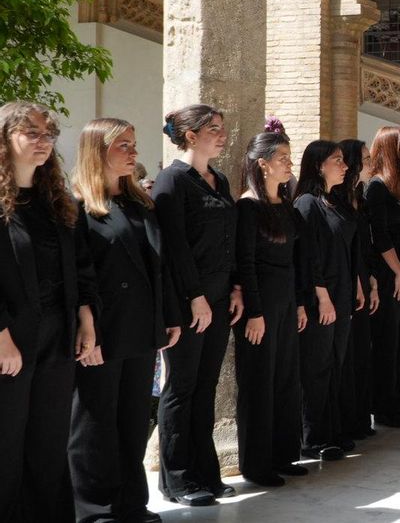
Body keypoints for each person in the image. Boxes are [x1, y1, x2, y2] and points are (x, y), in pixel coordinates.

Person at [69, 118, 180, 522]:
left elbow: (158, 268)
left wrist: (168, 316)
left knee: (132, 421)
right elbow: (79, 276)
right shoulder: (79, 207)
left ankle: (132, 503)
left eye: (134, 145)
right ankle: (96, 509)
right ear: (98, 151)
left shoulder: (140, 204)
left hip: (142, 329)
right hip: (102, 331)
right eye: (124, 146)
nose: (134, 153)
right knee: (94, 423)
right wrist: (88, 333)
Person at [0, 102, 100, 522]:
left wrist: (85, 320)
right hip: (11, 337)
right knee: (6, 441)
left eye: (49, 135)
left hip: (57, 333)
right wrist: (2, 336)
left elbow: (79, 266)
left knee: (48, 438)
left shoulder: (55, 201)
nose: (44, 142)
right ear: (5, 139)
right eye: (32, 133)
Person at [154, 104, 243, 506]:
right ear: (190, 136)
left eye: (222, 129)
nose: (223, 135)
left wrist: (236, 288)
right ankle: (177, 477)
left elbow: (230, 239)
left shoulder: (218, 179)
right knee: (181, 387)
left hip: (222, 297)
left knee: (206, 387)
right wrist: (195, 297)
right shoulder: (171, 182)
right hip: (191, 302)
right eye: (214, 130)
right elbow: (174, 249)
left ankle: (205, 470)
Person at [231, 129, 307, 487]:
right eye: (282, 159)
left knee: (286, 378)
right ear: (262, 165)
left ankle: (283, 454)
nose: (289, 164)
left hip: (286, 299)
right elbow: (245, 263)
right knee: (259, 383)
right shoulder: (248, 206)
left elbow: (296, 259)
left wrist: (300, 303)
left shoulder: (285, 204)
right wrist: (255, 312)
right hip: (260, 305)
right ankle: (257, 464)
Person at [294, 140, 364, 461]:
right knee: (317, 367)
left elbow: (347, 250)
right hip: (321, 298)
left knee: (335, 364)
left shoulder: (333, 201)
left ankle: (333, 430)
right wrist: (321, 296)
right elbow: (309, 258)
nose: (345, 165)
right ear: (320, 165)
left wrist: (358, 285)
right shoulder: (308, 203)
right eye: (337, 160)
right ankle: (314, 437)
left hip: (343, 294)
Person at [364, 126, 400, 429]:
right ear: (392, 149)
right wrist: (399, 272)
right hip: (389, 274)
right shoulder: (377, 188)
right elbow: (380, 236)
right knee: (388, 339)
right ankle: (385, 404)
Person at [331, 138, 378, 441]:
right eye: (364, 157)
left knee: (362, 353)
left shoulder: (358, 194)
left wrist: (369, 278)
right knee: (347, 357)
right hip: (347, 281)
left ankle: (361, 417)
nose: (370, 160)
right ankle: (347, 420)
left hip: (362, 277)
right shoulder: (337, 198)